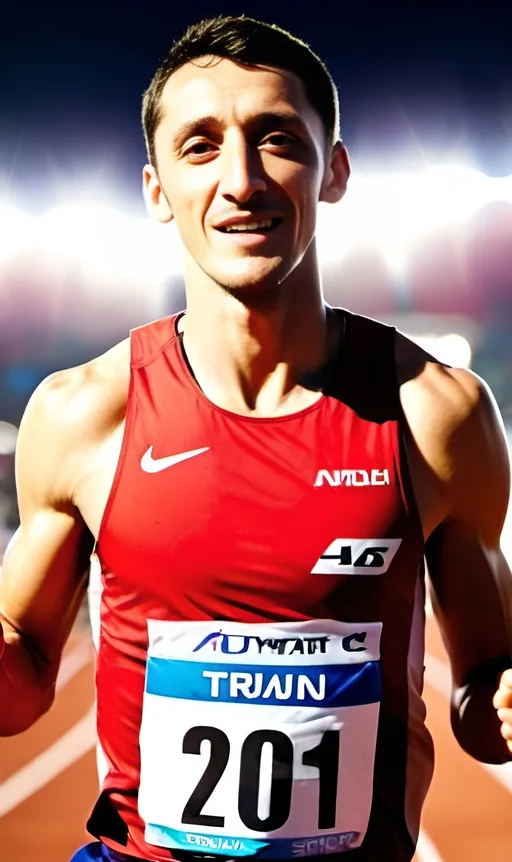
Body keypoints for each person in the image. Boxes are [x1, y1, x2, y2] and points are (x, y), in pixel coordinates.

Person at [1, 14, 512, 862]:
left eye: (276, 139)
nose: (240, 180)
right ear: (157, 190)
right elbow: (19, 691)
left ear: (334, 170)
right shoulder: (85, 414)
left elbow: (484, 700)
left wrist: (501, 700)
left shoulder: (437, 414)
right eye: (199, 147)